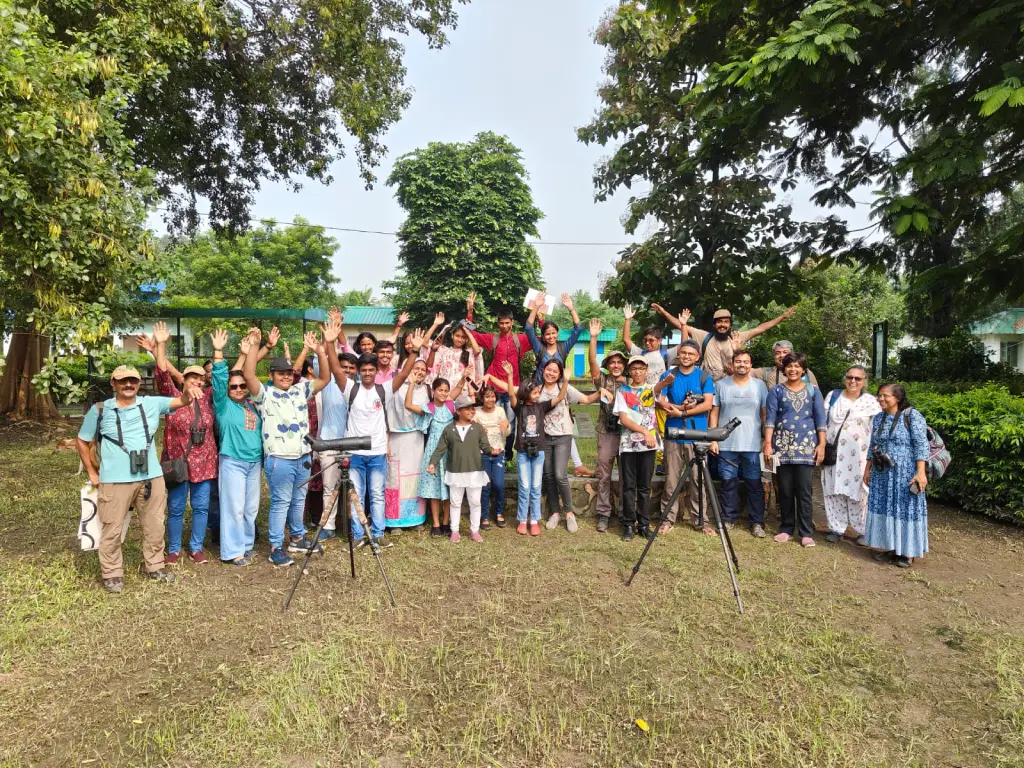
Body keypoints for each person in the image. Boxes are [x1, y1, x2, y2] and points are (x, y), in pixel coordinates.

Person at [75, 365, 199, 593]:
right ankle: (112, 573)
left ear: (139, 383)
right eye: (122, 381)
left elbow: (181, 401)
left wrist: (188, 393)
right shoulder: (100, 410)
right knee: (112, 528)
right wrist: (92, 472)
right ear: (113, 383)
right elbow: (82, 441)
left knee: (155, 525)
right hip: (115, 479)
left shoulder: (151, 403)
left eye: (133, 380)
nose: (128, 384)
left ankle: (155, 566)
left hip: (151, 477)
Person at [242, 325, 335, 566]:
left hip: (303, 456)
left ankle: (297, 538)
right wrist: (254, 345)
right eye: (280, 373)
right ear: (272, 375)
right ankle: (276, 546)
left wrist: (320, 351)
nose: (286, 377)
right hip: (279, 458)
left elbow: (325, 378)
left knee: (298, 499)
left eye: (289, 373)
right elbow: (249, 375)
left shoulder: (300, 390)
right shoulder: (265, 394)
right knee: (281, 502)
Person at [343, 330, 424, 548]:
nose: (367, 373)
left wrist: (415, 351)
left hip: (377, 452)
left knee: (377, 494)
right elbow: (334, 368)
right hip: (355, 453)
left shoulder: (384, 389)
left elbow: (404, 373)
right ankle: (358, 534)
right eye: (364, 370)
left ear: (376, 370)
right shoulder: (351, 388)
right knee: (356, 495)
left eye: (371, 369)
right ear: (358, 371)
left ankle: (378, 533)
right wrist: (331, 343)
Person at [150, 321, 218, 565]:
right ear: (183, 380)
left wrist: (221, 351)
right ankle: (174, 549)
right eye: (192, 378)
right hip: (178, 462)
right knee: (176, 507)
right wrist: (160, 345)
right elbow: (162, 374)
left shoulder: (209, 398)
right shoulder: (171, 397)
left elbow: (222, 380)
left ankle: (196, 547)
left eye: (200, 378)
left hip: (204, 463)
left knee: (201, 507)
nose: (197, 381)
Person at [209, 329, 263, 566]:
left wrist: (254, 347)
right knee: (234, 508)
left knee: (251, 509)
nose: (239, 389)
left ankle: (247, 545)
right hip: (232, 461)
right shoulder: (223, 405)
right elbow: (220, 379)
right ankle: (233, 551)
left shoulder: (252, 405)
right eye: (234, 387)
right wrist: (218, 352)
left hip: (254, 462)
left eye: (242, 385)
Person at [763, 351, 826, 548]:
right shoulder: (776, 391)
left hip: (806, 447)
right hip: (782, 447)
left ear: (803, 370)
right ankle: (786, 528)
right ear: (784, 369)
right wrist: (768, 444)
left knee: (805, 491)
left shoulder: (813, 390)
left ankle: (806, 532)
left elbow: (820, 419)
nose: (793, 369)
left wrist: (822, 444)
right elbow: (770, 419)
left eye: (797, 366)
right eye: (789, 366)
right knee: (785, 490)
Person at [863, 383, 930, 568]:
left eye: (885, 396)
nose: (881, 399)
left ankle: (908, 552)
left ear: (898, 398)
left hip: (905, 473)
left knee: (905, 508)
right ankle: (890, 547)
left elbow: (921, 445)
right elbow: (873, 445)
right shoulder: (878, 418)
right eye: (879, 395)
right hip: (882, 473)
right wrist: (867, 469)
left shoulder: (912, 416)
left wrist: (921, 472)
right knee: (885, 507)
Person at [654, 340, 716, 534]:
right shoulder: (669, 375)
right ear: (678, 354)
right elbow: (660, 400)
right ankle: (667, 519)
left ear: (697, 357)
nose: (687, 356)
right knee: (671, 479)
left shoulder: (704, 377)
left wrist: (681, 412)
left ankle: (701, 520)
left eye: (691, 354)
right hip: (673, 434)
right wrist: (680, 408)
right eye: (684, 353)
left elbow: (707, 405)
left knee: (698, 480)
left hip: (697, 435)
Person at [536, 358, 602, 534]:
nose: (550, 373)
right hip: (544, 438)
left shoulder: (564, 388)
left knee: (560, 475)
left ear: (560, 374)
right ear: (543, 370)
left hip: (563, 436)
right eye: (548, 370)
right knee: (548, 476)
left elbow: (586, 399)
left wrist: (600, 392)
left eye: (555, 371)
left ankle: (569, 512)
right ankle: (555, 513)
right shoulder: (537, 390)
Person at [709, 349, 769, 537]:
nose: (742, 365)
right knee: (728, 482)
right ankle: (728, 519)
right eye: (738, 361)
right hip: (726, 443)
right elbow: (714, 413)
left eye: (745, 362)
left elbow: (765, 415)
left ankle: (756, 522)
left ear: (751, 365)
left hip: (752, 444)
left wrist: (767, 440)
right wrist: (713, 438)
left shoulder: (760, 386)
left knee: (754, 483)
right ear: (732, 364)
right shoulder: (721, 385)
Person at [465, 291, 531, 460]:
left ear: (512, 323)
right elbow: (473, 335)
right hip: (493, 390)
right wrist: (470, 312)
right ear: (498, 323)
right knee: (491, 424)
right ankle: (490, 454)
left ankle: (506, 456)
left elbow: (538, 339)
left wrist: (539, 315)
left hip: (512, 390)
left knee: (510, 425)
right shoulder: (492, 339)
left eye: (507, 323)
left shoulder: (520, 340)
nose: (504, 326)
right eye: (501, 323)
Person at [820, 366, 882, 545]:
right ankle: (836, 528)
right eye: (850, 377)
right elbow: (822, 422)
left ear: (864, 381)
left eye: (858, 378)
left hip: (859, 457)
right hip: (834, 453)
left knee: (860, 493)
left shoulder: (871, 402)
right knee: (832, 490)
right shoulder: (833, 396)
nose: (853, 381)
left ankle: (862, 530)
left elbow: (878, 429)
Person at [661, 305, 798, 381]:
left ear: (730, 325)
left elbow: (760, 328)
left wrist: (782, 317)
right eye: (719, 322)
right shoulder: (704, 337)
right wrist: (664, 313)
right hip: (709, 387)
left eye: (726, 322)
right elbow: (682, 326)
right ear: (714, 324)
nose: (723, 325)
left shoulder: (737, 337)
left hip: (732, 385)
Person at [426, 394, 495, 543]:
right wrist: (432, 463)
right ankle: (455, 531)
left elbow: (485, 446)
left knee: (475, 502)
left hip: (475, 471)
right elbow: (440, 449)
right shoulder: (449, 429)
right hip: (455, 472)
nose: (472, 411)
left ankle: (475, 531)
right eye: (467, 409)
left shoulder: (478, 429)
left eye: (473, 409)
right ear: (458, 411)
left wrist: (492, 451)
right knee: (455, 503)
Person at [406, 372, 466, 535]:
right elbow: (408, 405)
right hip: (433, 451)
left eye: (446, 390)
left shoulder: (450, 406)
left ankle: (446, 522)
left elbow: (459, 388)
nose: (443, 393)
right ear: (433, 391)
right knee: (434, 489)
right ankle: (436, 523)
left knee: (449, 487)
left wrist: (463, 377)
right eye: (440, 390)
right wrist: (411, 384)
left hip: (450, 451)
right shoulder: (429, 408)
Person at [509, 373, 568, 536]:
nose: (537, 395)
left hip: (538, 452)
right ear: (526, 393)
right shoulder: (519, 408)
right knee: (524, 487)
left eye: (538, 392)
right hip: (523, 452)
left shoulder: (541, 407)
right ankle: (522, 520)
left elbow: (560, 397)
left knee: (536, 487)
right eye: (535, 392)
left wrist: (566, 380)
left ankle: (534, 521)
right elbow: (511, 395)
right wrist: (509, 376)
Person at [613, 356, 661, 540]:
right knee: (628, 486)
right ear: (629, 371)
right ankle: (628, 524)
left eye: (641, 368)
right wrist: (645, 432)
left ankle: (644, 525)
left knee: (644, 486)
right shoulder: (623, 391)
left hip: (648, 445)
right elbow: (624, 419)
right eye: (634, 368)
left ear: (646, 371)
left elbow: (662, 396)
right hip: (629, 445)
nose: (638, 372)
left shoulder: (652, 389)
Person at [588, 318, 627, 533]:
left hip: (627, 433)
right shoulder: (602, 381)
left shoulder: (631, 382)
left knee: (626, 474)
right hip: (606, 431)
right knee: (604, 474)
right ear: (608, 365)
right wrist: (593, 338)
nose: (616, 365)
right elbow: (593, 363)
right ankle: (603, 512)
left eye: (619, 362)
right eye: (612, 362)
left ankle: (624, 511)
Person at [386, 358, 432, 528]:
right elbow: (388, 412)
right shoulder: (395, 386)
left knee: (415, 477)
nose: (419, 372)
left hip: (416, 438)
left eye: (423, 369)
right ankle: (393, 520)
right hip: (396, 437)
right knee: (394, 478)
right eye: (415, 368)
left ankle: (416, 518)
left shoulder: (427, 389)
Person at [473, 374, 512, 530]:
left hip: (498, 453)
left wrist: (506, 426)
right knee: (485, 485)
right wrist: (478, 429)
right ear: (482, 398)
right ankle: (484, 516)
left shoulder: (500, 411)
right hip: (482, 454)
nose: (490, 399)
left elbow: (506, 434)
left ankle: (499, 513)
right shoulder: (476, 412)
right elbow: (471, 432)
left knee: (499, 484)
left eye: (492, 396)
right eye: (487, 397)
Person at [621, 304, 677, 384]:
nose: (647, 343)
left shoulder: (667, 354)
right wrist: (628, 320)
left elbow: (684, 346)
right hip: (644, 390)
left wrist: (683, 325)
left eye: (651, 340)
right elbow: (626, 340)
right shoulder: (640, 354)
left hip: (662, 390)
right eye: (645, 340)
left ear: (659, 341)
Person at [425, 316, 484, 388]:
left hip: (462, 390)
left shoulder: (469, 352)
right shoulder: (444, 351)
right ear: (452, 335)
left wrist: (468, 333)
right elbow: (425, 343)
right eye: (457, 336)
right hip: (445, 390)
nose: (459, 339)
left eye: (463, 337)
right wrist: (435, 324)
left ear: (466, 339)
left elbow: (477, 351)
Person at [752, 340, 819, 389]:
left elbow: (815, 395)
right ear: (774, 356)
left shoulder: (806, 372)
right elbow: (746, 368)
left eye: (785, 352)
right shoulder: (766, 372)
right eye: (777, 353)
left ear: (792, 354)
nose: (781, 355)